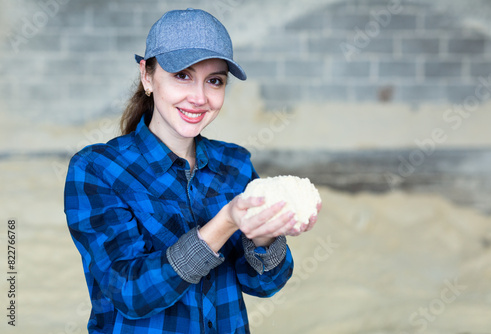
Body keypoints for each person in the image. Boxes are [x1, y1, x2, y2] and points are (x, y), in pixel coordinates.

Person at [64, 8, 320, 334]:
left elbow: (262, 286)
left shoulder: (235, 163)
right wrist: (225, 222)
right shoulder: (97, 169)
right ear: (147, 76)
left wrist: (265, 237)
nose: (199, 98)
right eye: (182, 75)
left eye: (214, 81)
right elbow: (131, 293)